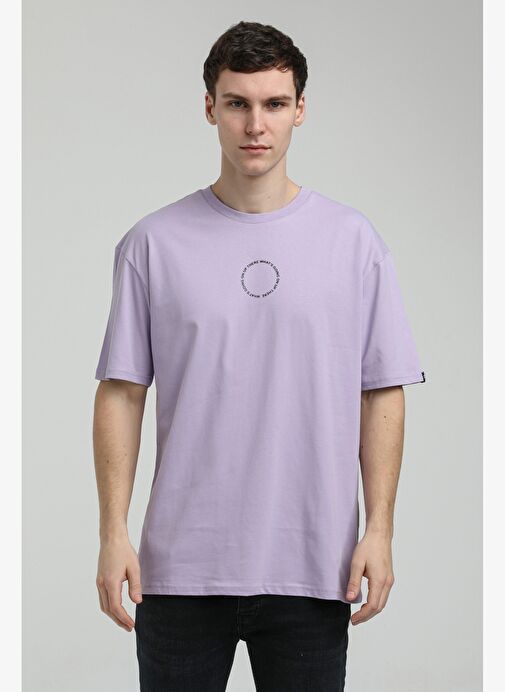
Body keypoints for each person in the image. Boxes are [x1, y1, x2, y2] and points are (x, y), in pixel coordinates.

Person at [92, 20, 426, 692]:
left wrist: (380, 530)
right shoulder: (152, 244)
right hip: (180, 571)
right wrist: (112, 534)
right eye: (237, 103)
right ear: (209, 107)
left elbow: (381, 390)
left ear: (300, 109)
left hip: (313, 564)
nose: (255, 125)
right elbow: (121, 392)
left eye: (274, 103)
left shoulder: (353, 242)